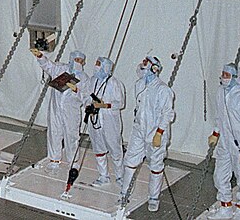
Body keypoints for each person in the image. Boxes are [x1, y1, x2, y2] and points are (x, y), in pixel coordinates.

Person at [119, 54, 175, 213]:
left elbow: (168, 114)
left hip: (156, 133)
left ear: (154, 69)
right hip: (139, 130)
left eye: (145, 64)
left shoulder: (163, 90)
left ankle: (153, 197)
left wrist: (159, 132)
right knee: (129, 161)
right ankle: (124, 193)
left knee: (156, 166)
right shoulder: (139, 84)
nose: (141, 66)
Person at [206, 63, 240, 219]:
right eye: (222, 74)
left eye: (227, 75)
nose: (223, 78)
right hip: (225, 142)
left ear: (236, 78)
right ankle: (225, 207)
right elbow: (219, 116)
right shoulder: (220, 92)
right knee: (220, 175)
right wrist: (216, 133)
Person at [31, 47, 89, 172]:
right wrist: (40, 56)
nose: (77, 62)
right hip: (56, 109)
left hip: (71, 112)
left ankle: (73, 161)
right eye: (75, 59)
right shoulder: (61, 69)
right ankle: (54, 160)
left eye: (80, 60)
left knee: (72, 136)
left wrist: (76, 90)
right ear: (71, 59)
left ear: (83, 63)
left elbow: (86, 97)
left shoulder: (84, 78)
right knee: (54, 133)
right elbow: (48, 66)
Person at [86, 55, 126, 187]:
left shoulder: (114, 83)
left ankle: (120, 176)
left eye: (98, 64)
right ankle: (103, 176)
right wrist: (89, 106)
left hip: (110, 121)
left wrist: (104, 105)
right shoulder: (92, 81)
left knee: (115, 149)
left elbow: (120, 103)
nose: (96, 66)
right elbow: (86, 96)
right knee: (98, 148)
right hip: (95, 121)